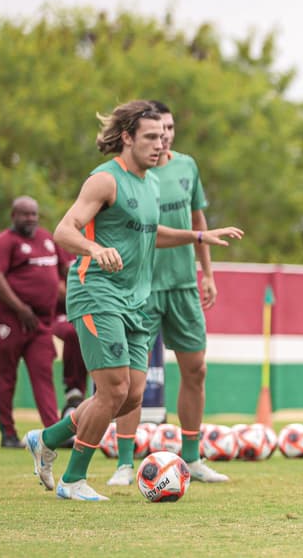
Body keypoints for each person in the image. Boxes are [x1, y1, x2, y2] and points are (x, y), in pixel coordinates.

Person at [24, 100, 243, 501]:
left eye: (162, 136)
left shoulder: (152, 183)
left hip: (135, 299)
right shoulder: (104, 180)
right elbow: (63, 230)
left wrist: (197, 237)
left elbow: (149, 232)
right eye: (150, 137)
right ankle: (73, 481)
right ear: (126, 138)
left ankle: (46, 438)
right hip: (98, 293)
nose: (159, 144)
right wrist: (92, 248)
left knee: (131, 395)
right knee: (112, 389)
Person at [106, 100, 227, 486]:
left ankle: (191, 457)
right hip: (141, 289)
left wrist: (206, 273)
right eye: (157, 131)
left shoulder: (187, 166)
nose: (165, 137)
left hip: (183, 287)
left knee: (197, 369)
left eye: (169, 129)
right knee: (131, 383)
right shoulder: (130, 176)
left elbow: (198, 220)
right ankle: (125, 463)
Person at [0, 197, 65, 448]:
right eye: (25, 214)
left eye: (34, 214)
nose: (31, 218)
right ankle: (8, 433)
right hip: (9, 319)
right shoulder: (4, 242)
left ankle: (54, 433)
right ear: (14, 216)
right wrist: (21, 309)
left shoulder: (46, 239)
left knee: (44, 375)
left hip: (40, 322)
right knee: (5, 376)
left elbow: (65, 272)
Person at [52, 248, 88, 418]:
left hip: (91, 310)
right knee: (73, 331)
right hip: (59, 313)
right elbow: (56, 287)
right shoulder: (59, 245)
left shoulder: (99, 240)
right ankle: (73, 388)